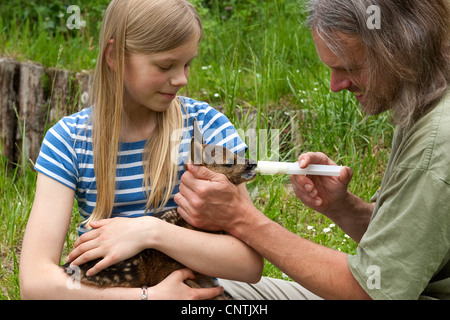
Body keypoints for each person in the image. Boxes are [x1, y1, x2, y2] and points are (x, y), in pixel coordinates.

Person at [175, 0, 450, 300]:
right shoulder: (426, 98)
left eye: (349, 68)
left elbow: (370, 291)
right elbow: (408, 245)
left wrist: (241, 218)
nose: (335, 85)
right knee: (208, 290)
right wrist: (341, 207)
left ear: (402, 49)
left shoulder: (437, 143)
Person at [19, 0, 263, 300]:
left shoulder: (205, 128)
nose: (182, 79)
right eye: (165, 66)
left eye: (188, 64)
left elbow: (249, 264)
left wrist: (151, 232)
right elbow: (34, 282)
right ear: (114, 56)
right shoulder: (69, 140)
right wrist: (149, 297)